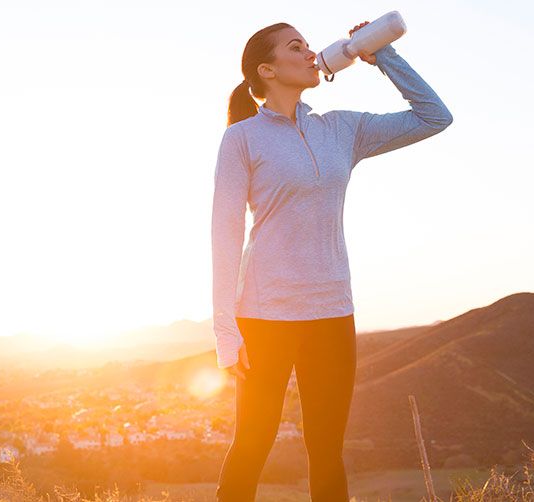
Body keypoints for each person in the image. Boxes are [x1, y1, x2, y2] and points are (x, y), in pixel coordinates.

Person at [211, 21, 453, 502]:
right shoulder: (242, 139)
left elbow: (434, 117)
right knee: (253, 444)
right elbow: (225, 233)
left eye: (307, 45)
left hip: (332, 310)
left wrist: (381, 53)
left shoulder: (342, 128)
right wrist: (225, 329)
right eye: (295, 47)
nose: (310, 52)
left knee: (327, 448)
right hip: (264, 316)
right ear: (268, 70)